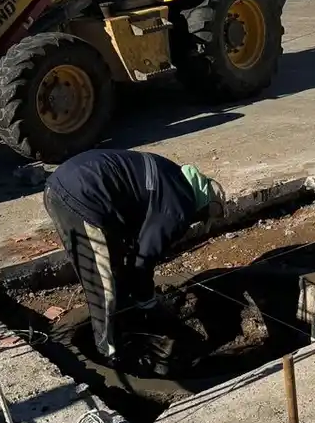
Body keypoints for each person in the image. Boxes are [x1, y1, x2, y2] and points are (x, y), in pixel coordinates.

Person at [43, 149, 225, 367]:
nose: (194, 222)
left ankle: (124, 321)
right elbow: (143, 259)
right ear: (203, 205)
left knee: (113, 268)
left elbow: (134, 241)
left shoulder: (172, 176)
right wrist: (148, 302)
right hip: (84, 196)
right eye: (202, 217)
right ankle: (110, 354)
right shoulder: (180, 204)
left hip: (61, 187)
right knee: (102, 283)